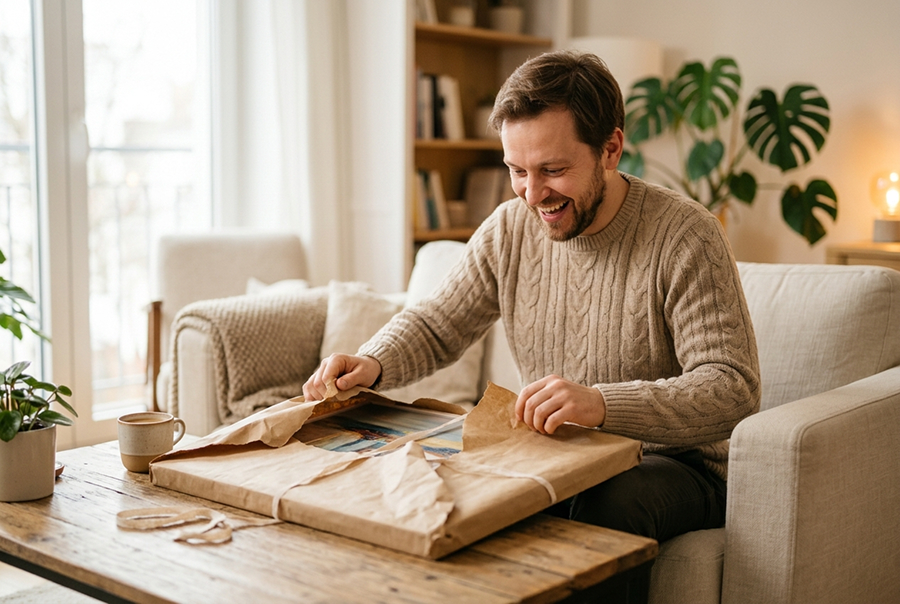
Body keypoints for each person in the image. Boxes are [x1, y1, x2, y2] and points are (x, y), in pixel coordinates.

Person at [303, 50, 760, 543]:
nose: (532, 193)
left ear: (610, 150)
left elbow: (731, 387)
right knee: (436, 487)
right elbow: (439, 323)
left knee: (606, 498)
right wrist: (372, 362)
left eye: (553, 169)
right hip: (554, 453)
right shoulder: (510, 228)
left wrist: (600, 404)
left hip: (675, 466)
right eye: (517, 171)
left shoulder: (686, 234)